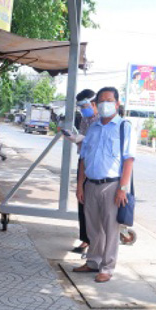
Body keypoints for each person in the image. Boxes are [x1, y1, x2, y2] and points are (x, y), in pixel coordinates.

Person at [74, 87, 136, 283]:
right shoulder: (92, 128)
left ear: (117, 104)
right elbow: (83, 158)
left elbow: (129, 160)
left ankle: (107, 268)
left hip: (112, 186)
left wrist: (123, 188)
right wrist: (79, 185)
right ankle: (93, 261)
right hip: (91, 184)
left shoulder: (124, 127)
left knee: (111, 229)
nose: (104, 104)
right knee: (93, 227)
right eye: (100, 101)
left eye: (109, 100)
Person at [61, 89, 98, 254]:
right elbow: (82, 140)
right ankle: (85, 239)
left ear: (94, 103)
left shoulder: (103, 121)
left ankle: (95, 243)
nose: (84, 110)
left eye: (85, 105)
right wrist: (74, 138)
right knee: (82, 201)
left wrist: (84, 140)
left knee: (95, 206)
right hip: (84, 161)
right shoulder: (85, 120)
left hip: (98, 166)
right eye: (81, 107)